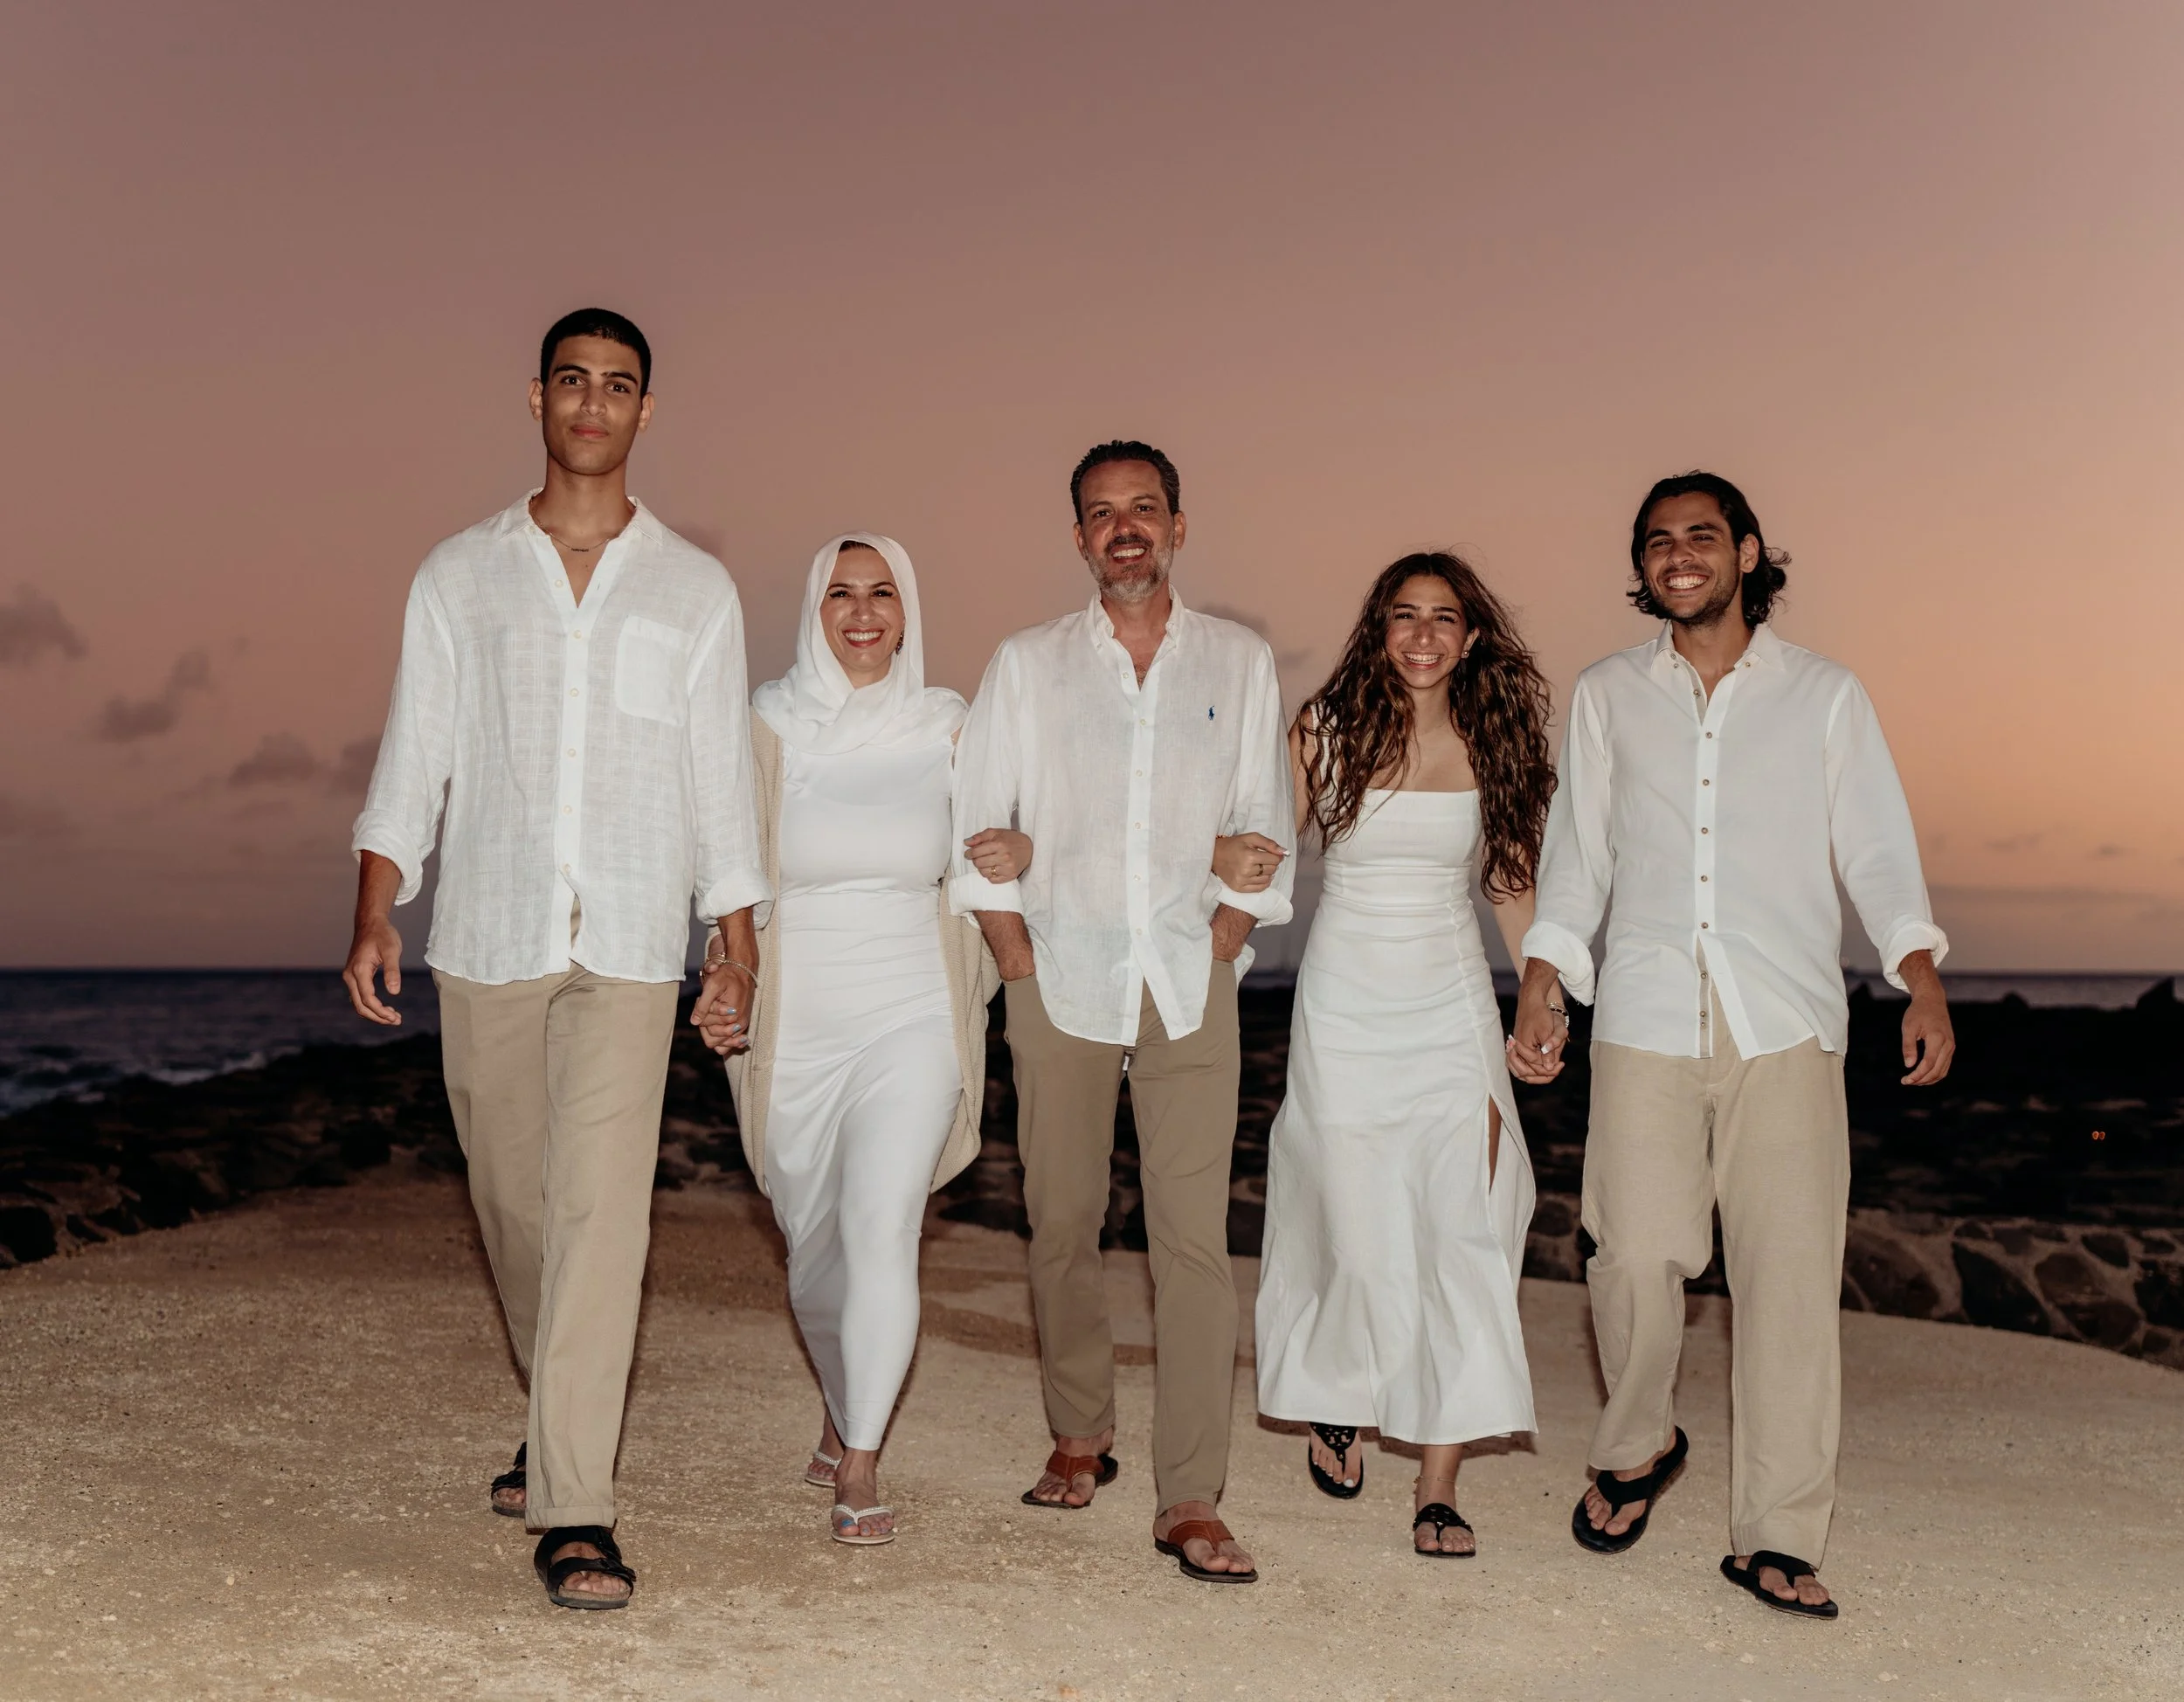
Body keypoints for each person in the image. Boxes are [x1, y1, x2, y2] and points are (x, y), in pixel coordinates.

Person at [343, 308, 767, 1611]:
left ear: (649, 412)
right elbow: (417, 752)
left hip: (635, 941)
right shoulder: (456, 575)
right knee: (515, 1206)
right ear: (536, 399)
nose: (594, 402)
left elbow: (718, 781)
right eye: (573, 380)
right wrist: (376, 906)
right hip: (488, 931)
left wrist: (735, 940)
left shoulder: (695, 587)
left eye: (620, 384)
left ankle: (575, 1507)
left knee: (603, 1219)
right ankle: (556, 1412)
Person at [1509, 471, 1954, 1620]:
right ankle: (1640, 1443)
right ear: (1644, 567)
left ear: (1748, 551)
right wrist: (1546, 984)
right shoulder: (1608, 694)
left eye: (1701, 535)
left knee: (1790, 1284)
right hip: (1648, 1015)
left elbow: (1877, 851)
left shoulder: (1825, 696)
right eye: (1658, 542)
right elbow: (1580, 858)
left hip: (1788, 1025)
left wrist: (1921, 980)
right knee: (1630, 1255)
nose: (1679, 555)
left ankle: (1778, 1534)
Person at [950, 440, 1294, 1584]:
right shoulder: (1027, 665)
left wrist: (1224, 945)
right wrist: (1018, 967)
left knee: (1192, 1245)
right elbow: (980, 830)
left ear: (1180, 525)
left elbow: (1262, 829)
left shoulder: (1239, 663)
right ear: (1080, 538)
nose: (1125, 528)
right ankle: (1078, 1430)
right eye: (1102, 514)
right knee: (1062, 1220)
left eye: (1145, 508)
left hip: (1191, 985)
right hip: (1060, 977)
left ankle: (1191, 1494)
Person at [1236, 551, 1552, 1557]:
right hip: (1343, 999)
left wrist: (1542, 996)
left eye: (1443, 618)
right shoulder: (1322, 731)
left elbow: (1510, 889)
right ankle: (1339, 1386)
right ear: (1378, 627)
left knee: (1466, 1218)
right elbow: (1261, 855)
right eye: (1403, 616)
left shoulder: (1496, 741)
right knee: (1355, 1212)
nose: (1422, 635)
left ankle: (1439, 1485)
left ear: (1470, 636)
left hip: (1449, 1000)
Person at [704, 533, 1012, 1546]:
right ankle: (842, 1400)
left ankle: (864, 1450)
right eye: (842, 593)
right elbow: (723, 868)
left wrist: (1027, 847)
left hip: (913, 1009)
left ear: (908, 609)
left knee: (883, 1226)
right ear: (813, 607)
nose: (864, 611)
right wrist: (725, 969)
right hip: (797, 1018)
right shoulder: (764, 721)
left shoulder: (949, 725)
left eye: (883, 592)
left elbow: (1005, 839)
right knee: (811, 1243)